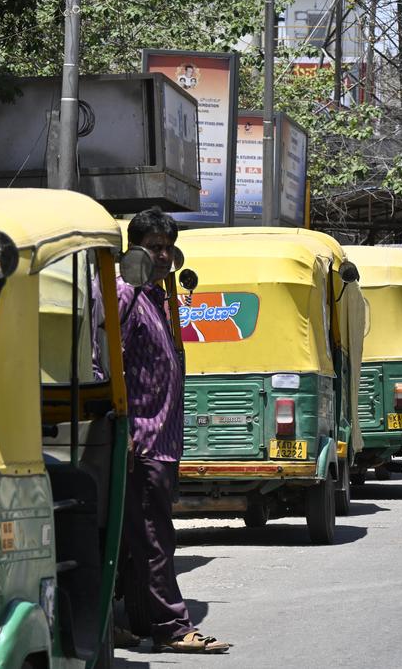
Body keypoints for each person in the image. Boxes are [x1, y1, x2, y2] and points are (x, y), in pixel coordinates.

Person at [115, 207, 229, 654]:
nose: (162, 256)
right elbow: (105, 358)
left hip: (162, 440)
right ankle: (171, 626)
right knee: (155, 539)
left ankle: (137, 622)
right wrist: (123, 424)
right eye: (153, 247)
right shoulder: (126, 293)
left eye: (167, 248)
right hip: (142, 440)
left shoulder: (157, 296)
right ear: (135, 248)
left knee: (145, 539)